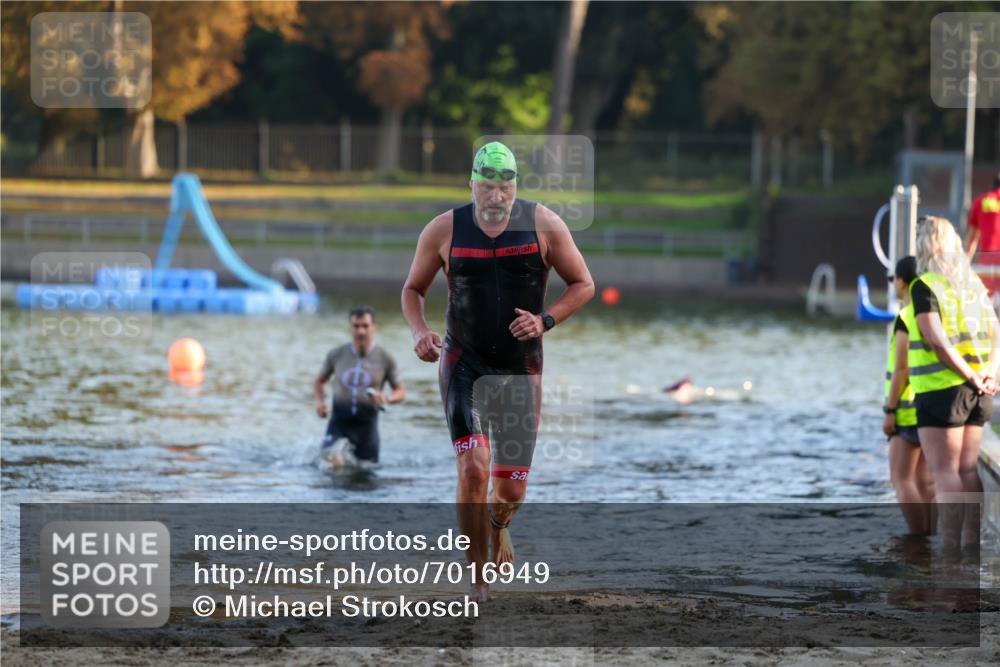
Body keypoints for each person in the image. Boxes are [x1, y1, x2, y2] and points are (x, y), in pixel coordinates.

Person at [401, 141, 595, 602]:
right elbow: (413, 289)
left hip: (518, 367)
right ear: (472, 184)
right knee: (473, 467)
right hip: (462, 361)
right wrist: (419, 332)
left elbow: (583, 284)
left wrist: (545, 320)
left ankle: (498, 524)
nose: (496, 196)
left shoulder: (543, 223)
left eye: (504, 186)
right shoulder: (444, 229)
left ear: (514, 187)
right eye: (487, 186)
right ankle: (477, 577)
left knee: (509, 491)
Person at [904, 217, 999, 557]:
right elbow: (996, 334)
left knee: (944, 472)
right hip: (979, 392)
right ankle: (971, 544)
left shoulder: (924, 285)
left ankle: (949, 550)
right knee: (967, 470)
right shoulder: (973, 286)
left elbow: (936, 339)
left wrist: (969, 376)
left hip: (942, 391)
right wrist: (989, 375)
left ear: (924, 245)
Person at [882, 256, 934, 535]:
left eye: (893, 279)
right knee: (923, 480)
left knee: (901, 479)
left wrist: (889, 410)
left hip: (905, 409)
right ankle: (930, 538)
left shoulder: (905, 317)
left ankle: (917, 542)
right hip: (927, 404)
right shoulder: (931, 312)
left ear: (901, 281)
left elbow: (901, 369)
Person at [314, 305, 405, 466]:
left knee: (367, 474)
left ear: (374, 328)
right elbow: (319, 381)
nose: (361, 331)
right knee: (329, 461)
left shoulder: (385, 358)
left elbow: (401, 391)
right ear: (350, 329)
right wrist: (321, 403)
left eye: (365, 326)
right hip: (338, 423)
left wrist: (387, 398)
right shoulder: (337, 354)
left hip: (367, 426)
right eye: (356, 326)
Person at [963, 171, 1000, 295]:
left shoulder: (982, 201)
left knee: (986, 300)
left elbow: (972, 238)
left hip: (988, 259)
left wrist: (964, 262)